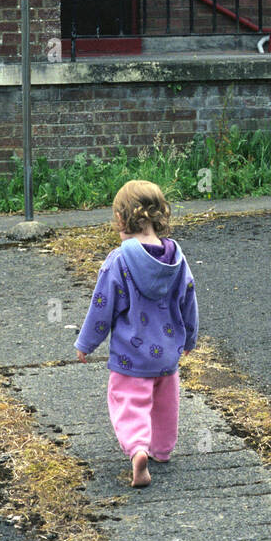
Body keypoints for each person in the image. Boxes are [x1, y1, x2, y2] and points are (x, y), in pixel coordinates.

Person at [75, 179, 198, 487]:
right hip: (167, 353)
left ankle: (138, 450)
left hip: (132, 356)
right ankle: (162, 449)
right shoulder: (177, 259)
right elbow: (189, 299)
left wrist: (87, 342)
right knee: (165, 401)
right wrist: (190, 338)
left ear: (120, 219)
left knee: (129, 402)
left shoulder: (119, 260)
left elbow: (102, 306)